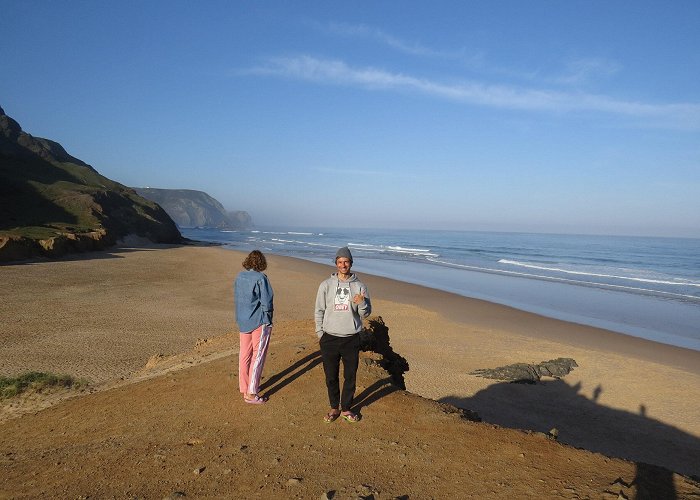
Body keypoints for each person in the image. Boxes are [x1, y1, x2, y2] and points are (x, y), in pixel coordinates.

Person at [315, 246, 371, 423]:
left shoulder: (359, 286)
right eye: (340, 262)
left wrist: (361, 303)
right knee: (331, 376)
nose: (343, 265)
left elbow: (366, 313)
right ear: (336, 264)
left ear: (351, 263)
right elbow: (319, 310)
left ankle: (346, 408)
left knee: (350, 376)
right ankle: (334, 407)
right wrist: (320, 333)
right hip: (329, 337)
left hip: (351, 338)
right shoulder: (326, 285)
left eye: (346, 261)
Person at [234, 250, 274, 404]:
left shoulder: (239, 276)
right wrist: (269, 319)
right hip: (258, 321)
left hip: (243, 321)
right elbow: (267, 301)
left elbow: (237, 298)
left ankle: (245, 388)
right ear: (261, 262)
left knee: (244, 355)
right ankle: (251, 394)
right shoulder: (261, 278)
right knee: (258, 356)